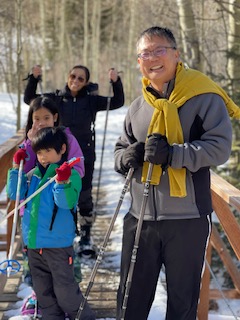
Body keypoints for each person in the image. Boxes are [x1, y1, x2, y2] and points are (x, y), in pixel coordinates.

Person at [114, 26, 239, 320]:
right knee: (128, 301)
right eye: (145, 53)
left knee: (182, 305)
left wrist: (173, 154)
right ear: (138, 61)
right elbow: (120, 149)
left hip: (187, 219)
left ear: (175, 54)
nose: (152, 58)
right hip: (140, 217)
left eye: (160, 50)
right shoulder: (137, 107)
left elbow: (219, 148)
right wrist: (125, 158)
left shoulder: (203, 97)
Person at [24, 64, 125, 256]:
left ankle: (86, 234)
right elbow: (30, 99)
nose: (76, 81)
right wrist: (34, 79)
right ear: (68, 77)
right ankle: (66, 230)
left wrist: (115, 81)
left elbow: (117, 102)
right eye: (73, 76)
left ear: (86, 82)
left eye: (81, 78)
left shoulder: (91, 100)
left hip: (83, 155)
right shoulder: (57, 98)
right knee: (57, 194)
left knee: (84, 193)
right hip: (54, 154)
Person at [7, 127, 95, 320]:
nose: (43, 156)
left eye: (48, 151)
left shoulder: (71, 175)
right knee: (44, 295)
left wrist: (62, 182)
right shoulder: (32, 176)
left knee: (66, 294)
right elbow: (15, 194)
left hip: (58, 247)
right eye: (39, 152)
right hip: (34, 246)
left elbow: (66, 202)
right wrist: (16, 168)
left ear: (62, 149)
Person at [19, 95, 84, 286]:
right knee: (32, 255)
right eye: (36, 118)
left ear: (55, 117)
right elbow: (24, 173)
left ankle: (67, 292)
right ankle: (37, 294)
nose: (41, 123)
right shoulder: (30, 141)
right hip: (32, 209)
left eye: (46, 118)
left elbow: (78, 168)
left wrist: (63, 176)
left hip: (57, 207)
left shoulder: (67, 139)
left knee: (58, 257)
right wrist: (28, 146)